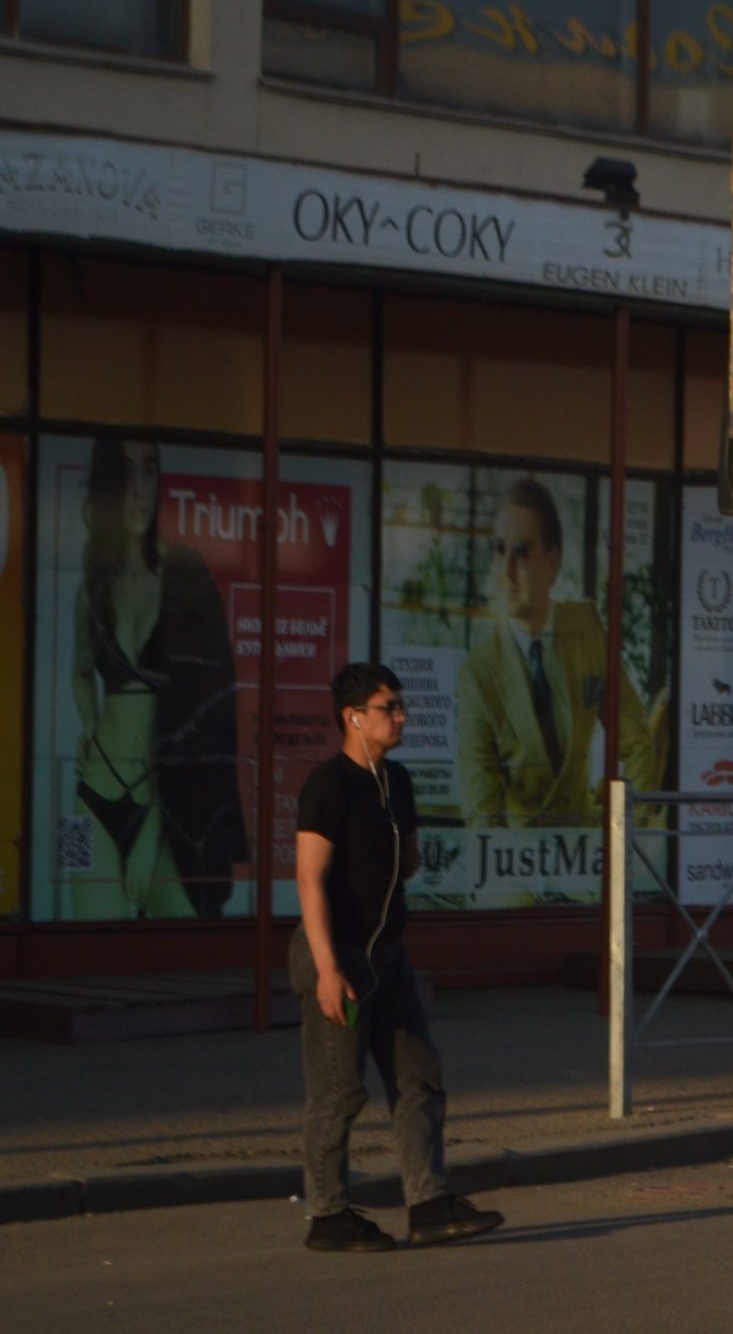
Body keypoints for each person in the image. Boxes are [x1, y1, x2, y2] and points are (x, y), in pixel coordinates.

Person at [293, 661, 503, 1253]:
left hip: (387, 956)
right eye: (389, 707)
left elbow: (406, 861)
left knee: (418, 1077)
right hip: (339, 957)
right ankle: (327, 1216)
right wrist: (328, 968)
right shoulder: (328, 784)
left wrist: (397, 851)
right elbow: (309, 879)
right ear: (353, 716)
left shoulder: (398, 781)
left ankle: (428, 1203)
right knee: (339, 1090)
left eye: (400, 705)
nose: (401, 716)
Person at [67, 437, 244, 919]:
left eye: (148, 470)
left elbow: (213, 708)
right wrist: (89, 722)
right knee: (89, 959)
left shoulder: (185, 574)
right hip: (95, 794)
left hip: (169, 804)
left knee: (186, 952)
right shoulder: (92, 588)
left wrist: (151, 833)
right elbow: (80, 672)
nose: (138, 490)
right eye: (124, 475)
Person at [453, 476, 660, 831]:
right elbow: (481, 807)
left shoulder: (584, 628)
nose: (507, 571)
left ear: (552, 561)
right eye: (499, 550)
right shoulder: (480, 671)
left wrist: (622, 836)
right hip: (516, 868)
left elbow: (637, 743)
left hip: (585, 863)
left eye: (520, 551)